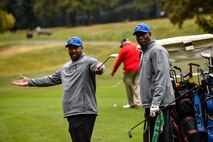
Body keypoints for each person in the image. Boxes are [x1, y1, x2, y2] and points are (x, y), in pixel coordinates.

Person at [12, 36, 105, 142]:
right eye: (70, 48)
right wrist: (30, 82)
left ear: (81, 48)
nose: (73, 50)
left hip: (83, 112)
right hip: (72, 112)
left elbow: (98, 67)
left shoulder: (88, 61)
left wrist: (99, 69)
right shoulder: (65, 67)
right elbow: (50, 79)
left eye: (76, 48)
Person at [133, 23, 175, 142]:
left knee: (162, 138)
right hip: (151, 104)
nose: (140, 37)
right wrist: (148, 105)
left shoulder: (156, 50)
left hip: (160, 104)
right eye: (137, 35)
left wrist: (155, 103)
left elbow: (161, 77)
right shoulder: (144, 51)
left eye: (143, 34)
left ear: (150, 34)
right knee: (153, 137)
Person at [111, 38, 141, 108]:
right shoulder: (136, 46)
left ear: (123, 44)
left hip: (129, 70)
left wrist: (113, 72)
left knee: (129, 86)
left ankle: (131, 103)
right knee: (136, 85)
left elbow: (118, 61)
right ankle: (138, 102)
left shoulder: (124, 49)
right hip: (139, 68)